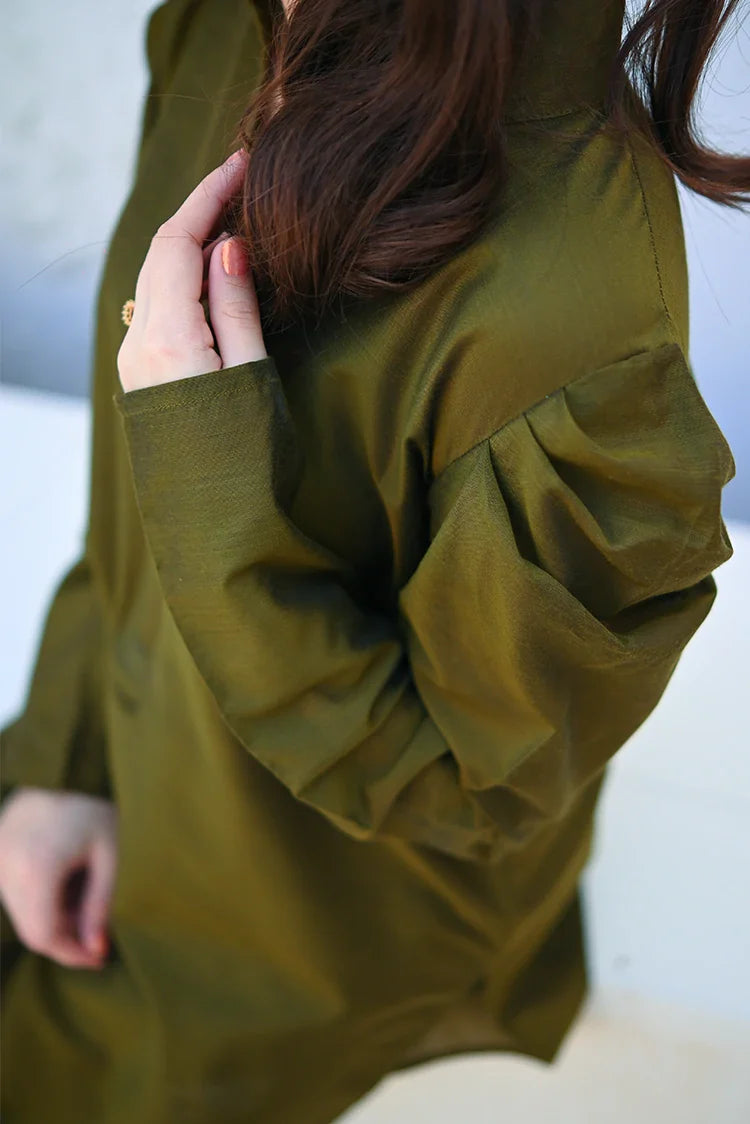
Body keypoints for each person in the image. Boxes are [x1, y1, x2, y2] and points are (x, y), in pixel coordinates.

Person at [1, 0, 747, 1120]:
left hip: (283, 930)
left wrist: (212, 480)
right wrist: (64, 754)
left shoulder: (576, 308)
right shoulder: (219, 28)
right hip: (119, 762)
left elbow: (472, 790)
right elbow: (127, 474)